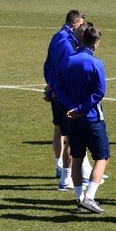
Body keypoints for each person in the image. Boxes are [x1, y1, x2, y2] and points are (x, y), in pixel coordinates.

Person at [56, 25, 110, 215]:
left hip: (73, 118)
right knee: (102, 157)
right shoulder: (96, 63)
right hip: (92, 118)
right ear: (95, 43)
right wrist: (81, 108)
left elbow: (58, 88)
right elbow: (100, 92)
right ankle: (89, 198)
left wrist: (72, 107)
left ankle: (79, 198)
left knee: (77, 157)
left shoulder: (67, 61)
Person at [43, 10, 86, 190]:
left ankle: (66, 167)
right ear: (75, 24)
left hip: (57, 90)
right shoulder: (65, 42)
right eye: (81, 25)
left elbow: (48, 64)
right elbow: (63, 68)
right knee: (68, 132)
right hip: (63, 94)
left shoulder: (58, 37)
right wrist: (54, 87)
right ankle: (65, 173)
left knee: (59, 128)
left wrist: (50, 84)